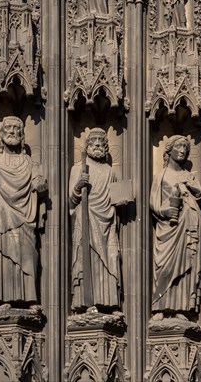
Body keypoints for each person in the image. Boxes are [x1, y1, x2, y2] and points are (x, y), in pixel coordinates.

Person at [0, 116, 47, 309]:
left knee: (27, 253)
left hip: (25, 215)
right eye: (8, 128)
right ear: (1, 134)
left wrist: (40, 186)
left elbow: (38, 182)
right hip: (1, 214)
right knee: (3, 255)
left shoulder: (28, 162)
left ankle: (29, 298)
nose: (12, 131)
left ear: (22, 134)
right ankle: (2, 299)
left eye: (16, 128)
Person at [69, 128, 123, 312]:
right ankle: (85, 303)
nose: (98, 144)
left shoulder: (110, 171)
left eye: (102, 140)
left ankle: (109, 302)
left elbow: (116, 197)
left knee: (111, 257)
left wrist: (122, 199)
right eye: (94, 141)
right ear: (88, 145)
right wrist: (78, 186)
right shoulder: (79, 168)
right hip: (86, 219)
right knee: (87, 258)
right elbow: (70, 200)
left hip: (107, 223)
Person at [150, 136, 201, 321]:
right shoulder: (160, 176)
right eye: (179, 146)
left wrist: (195, 189)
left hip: (187, 226)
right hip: (168, 228)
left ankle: (181, 307)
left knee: (186, 265)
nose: (183, 150)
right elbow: (153, 203)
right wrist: (166, 210)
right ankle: (159, 307)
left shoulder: (190, 176)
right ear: (169, 150)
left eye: (186, 148)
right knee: (164, 267)